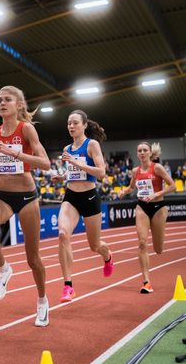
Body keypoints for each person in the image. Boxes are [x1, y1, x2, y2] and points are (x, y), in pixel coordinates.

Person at [0, 85, 51, 327]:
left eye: (7, 100)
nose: (2, 103)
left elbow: (44, 163)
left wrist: (16, 155)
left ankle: (43, 301)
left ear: (19, 106)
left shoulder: (27, 130)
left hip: (26, 197)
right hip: (1, 194)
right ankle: (4, 269)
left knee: (33, 259)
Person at [52, 109, 113, 303]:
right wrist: (61, 176)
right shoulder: (67, 148)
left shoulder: (91, 145)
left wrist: (77, 165)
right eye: (69, 123)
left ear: (84, 125)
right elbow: (72, 172)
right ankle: (68, 286)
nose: (71, 126)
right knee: (62, 234)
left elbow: (101, 173)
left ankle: (107, 256)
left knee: (94, 245)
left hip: (89, 198)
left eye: (75, 123)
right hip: (71, 197)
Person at [118, 142, 175, 293]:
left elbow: (173, 186)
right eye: (139, 151)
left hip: (158, 208)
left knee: (158, 249)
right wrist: (124, 191)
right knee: (142, 243)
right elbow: (132, 187)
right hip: (142, 207)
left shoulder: (157, 168)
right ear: (137, 154)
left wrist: (156, 194)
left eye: (145, 150)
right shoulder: (135, 171)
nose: (142, 153)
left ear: (150, 153)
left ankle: (160, 234)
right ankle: (146, 282)